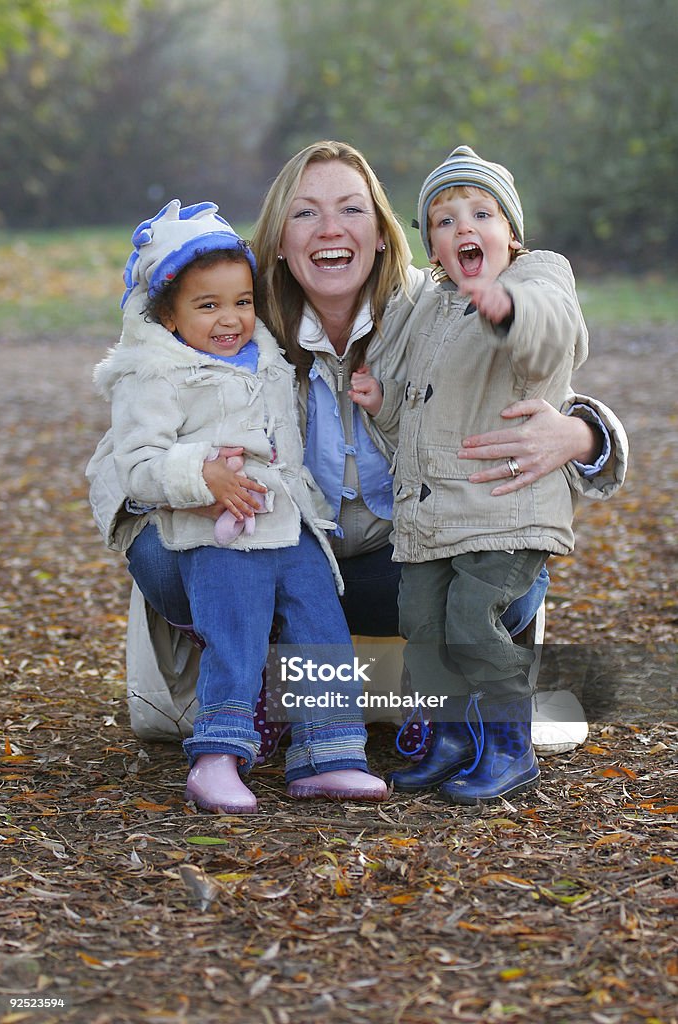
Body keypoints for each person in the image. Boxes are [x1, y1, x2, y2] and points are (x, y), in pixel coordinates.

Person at [86, 141, 627, 785]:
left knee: (483, 589)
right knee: (165, 557)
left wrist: (584, 436)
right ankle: (279, 684)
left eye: (351, 209)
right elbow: (122, 454)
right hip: (261, 553)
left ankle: (394, 699)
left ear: (382, 233)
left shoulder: (438, 306)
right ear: (279, 241)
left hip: (387, 562)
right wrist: (193, 477)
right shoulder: (236, 324)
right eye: (306, 213)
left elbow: (538, 365)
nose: (331, 229)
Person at [91, 198, 388, 813]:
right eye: (208, 306)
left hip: (288, 521)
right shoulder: (157, 374)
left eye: (242, 302)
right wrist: (202, 476)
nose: (230, 319)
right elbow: (138, 464)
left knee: (319, 624)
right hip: (217, 535)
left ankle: (329, 754)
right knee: (237, 633)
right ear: (168, 315)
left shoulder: (268, 358)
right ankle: (218, 754)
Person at [356, 145, 597, 803]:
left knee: (471, 615)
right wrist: (382, 408)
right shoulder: (427, 307)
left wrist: (506, 309)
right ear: (430, 245)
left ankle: (508, 744)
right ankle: (451, 740)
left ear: (510, 234)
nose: (463, 227)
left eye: (480, 212)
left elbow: (554, 334)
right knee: (422, 627)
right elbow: (416, 424)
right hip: (433, 517)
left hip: (504, 507)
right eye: (442, 218)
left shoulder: (535, 277)